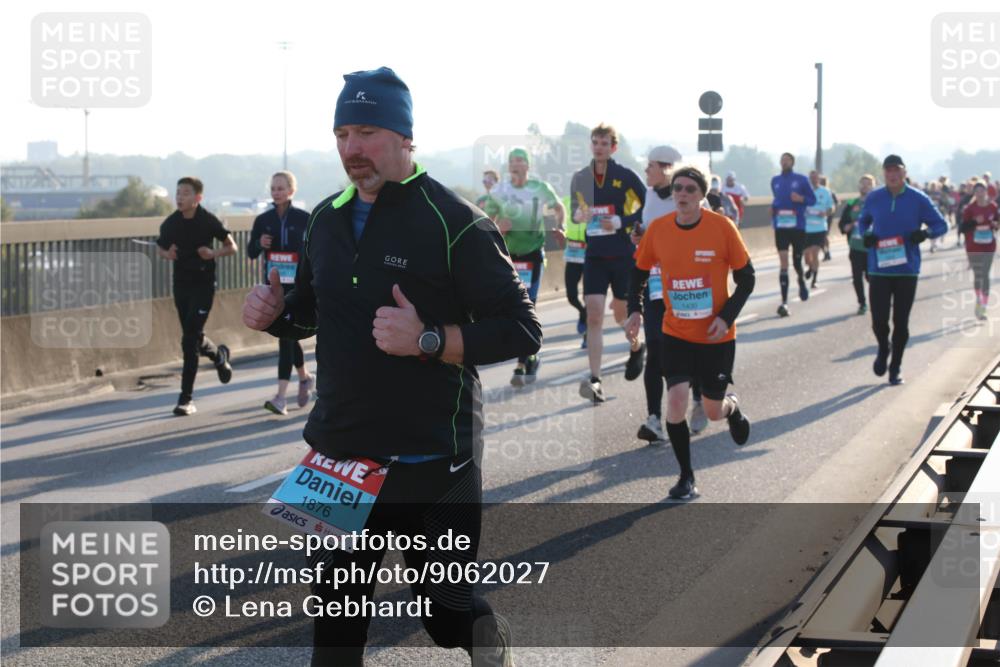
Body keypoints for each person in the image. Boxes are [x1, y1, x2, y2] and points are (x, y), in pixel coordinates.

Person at [243, 66, 533, 666]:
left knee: (446, 614)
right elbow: (311, 313)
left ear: (405, 137)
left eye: (368, 130)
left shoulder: (454, 222)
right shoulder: (323, 219)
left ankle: (484, 634)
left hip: (433, 455)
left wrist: (429, 339)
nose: (352, 148)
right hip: (342, 456)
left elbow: (522, 329)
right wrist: (276, 316)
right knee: (336, 628)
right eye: (343, 132)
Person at [625, 166, 754, 499]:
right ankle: (686, 477)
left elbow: (747, 278)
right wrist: (635, 311)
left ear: (702, 196)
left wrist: (726, 317)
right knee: (677, 402)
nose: (682, 194)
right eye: (677, 189)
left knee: (712, 410)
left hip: (716, 336)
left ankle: (732, 407)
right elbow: (638, 273)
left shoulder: (722, 228)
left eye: (690, 190)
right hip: (676, 332)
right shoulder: (658, 230)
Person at [570, 123, 646, 403]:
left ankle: (637, 348)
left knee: (621, 316)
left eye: (604, 143)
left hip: (623, 254)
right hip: (595, 255)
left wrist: (622, 221)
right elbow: (575, 211)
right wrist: (579, 216)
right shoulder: (580, 177)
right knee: (593, 315)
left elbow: (647, 204)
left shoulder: (624, 176)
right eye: (595, 142)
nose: (599, 147)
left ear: (613, 147)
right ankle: (595, 379)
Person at [858, 155, 948, 385]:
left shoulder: (918, 199)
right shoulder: (875, 197)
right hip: (879, 268)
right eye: (888, 170)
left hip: (907, 270)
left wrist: (925, 234)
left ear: (904, 172)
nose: (892, 174)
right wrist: (866, 234)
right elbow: (862, 221)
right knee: (879, 321)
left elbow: (941, 225)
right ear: (883, 174)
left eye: (897, 170)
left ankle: (896, 366)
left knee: (901, 322)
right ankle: (883, 347)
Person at [483, 147, 565, 386]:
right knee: (510, 307)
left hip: (533, 256)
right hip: (508, 257)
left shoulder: (540, 188)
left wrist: (561, 227)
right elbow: (483, 222)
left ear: (527, 166)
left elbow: (559, 207)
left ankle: (522, 362)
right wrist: (498, 227)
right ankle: (530, 353)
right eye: (512, 161)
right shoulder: (500, 191)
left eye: (520, 160)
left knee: (527, 305)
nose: (516, 164)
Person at [156, 177, 236, 416]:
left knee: (189, 340)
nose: (180, 197)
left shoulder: (207, 220)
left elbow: (232, 246)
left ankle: (186, 398)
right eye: (178, 192)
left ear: (197, 197)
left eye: (186, 193)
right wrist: (166, 254)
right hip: (181, 285)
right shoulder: (171, 223)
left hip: (203, 286)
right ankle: (218, 356)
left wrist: (213, 253)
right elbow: (161, 248)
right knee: (193, 335)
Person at [247, 171, 315, 414]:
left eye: (281, 188)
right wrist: (259, 244)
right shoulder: (263, 220)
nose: (276, 192)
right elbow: (250, 252)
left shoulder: (304, 218)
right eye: (273, 188)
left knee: (286, 339)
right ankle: (304, 377)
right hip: (275, 287)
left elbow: (315, 251)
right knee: (287, 338)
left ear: (291, 191)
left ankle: (280, 396)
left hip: (298, 287)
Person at [770, 153, 816, 317]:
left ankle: (801, 280)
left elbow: (812, 200)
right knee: (783, 262)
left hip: (797, 227)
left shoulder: (802, 179)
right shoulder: (775, 180)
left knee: (797, 261)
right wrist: (773, 208)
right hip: (781, 226)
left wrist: (800, 198)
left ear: (792, 162)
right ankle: (784, 302)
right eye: (782, 160)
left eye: (787, 160)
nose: (784, 162)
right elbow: (777, 199)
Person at [960, 182, 999, 320]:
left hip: (989, 244)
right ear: (974, 193)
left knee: (985, 274)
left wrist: (995, 225)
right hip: (973, 246)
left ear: (986, 192)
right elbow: (963, 228)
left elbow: (997, 222)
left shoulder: (993, 206)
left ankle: (983, 307)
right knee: (978, 274)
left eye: (982, 191)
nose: (979, 193)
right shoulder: (969, 209)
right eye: (977, 191)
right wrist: (975, 221)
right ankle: (978, 299)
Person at [838, 174, 876, 315]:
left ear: (873, 187)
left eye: (868, 184)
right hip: (855, 246)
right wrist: (846, 227)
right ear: (858, 186)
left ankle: (877, 301)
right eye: (862, 183)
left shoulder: (877, 203)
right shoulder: (852, 203)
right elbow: (842, 223)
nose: (865, 186)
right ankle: (862, 303)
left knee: (871, 277)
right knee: (856, 277)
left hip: (873, 248)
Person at [804, 170, 835, 288]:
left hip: (820, 228)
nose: (813, 179)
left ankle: (814, 280)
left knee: (815, 253)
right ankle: (811, 268)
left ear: (819, 179)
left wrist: (826, 213)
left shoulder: (825, 192)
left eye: (815, 177)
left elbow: (831, 207)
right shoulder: (805, 192)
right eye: (811, 177)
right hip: (806, 228)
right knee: (807, 257)